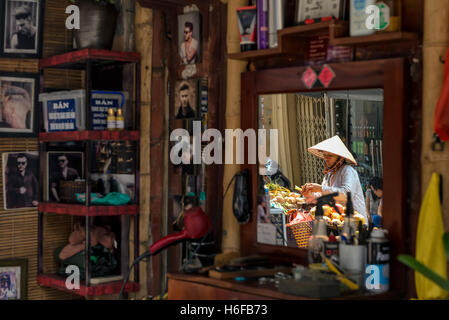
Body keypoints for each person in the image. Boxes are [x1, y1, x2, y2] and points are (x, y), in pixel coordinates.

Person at [302, 135, 368, 223]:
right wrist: (309, 195)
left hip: (355, 222)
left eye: (330, 156)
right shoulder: (329, 174)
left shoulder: (347, 171)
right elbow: (322, 196)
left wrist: (320, 188)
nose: (326, 159)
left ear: (340, 158)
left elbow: (346, 194)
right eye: (325, 155)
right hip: (338, 221)